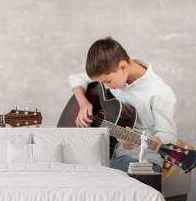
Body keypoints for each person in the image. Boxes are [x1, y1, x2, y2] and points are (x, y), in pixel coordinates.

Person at [68, 37, 177, 172]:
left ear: (123, 67)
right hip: (113, 154)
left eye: (107, 81)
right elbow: (75, 78)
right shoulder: (112, 67)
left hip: (142, 160)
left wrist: (136, 140)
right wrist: (83, 103)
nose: (105, 88)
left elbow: (168, 136)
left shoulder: (160, 93)